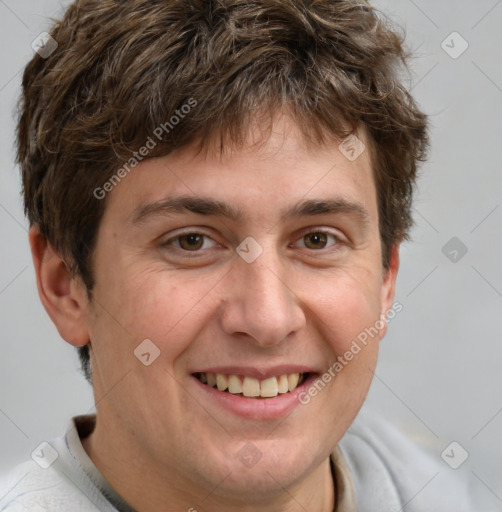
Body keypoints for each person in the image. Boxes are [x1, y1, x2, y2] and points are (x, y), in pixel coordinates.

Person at [0, 0, 474, 510]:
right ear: (64, 286)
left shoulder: (435, 490)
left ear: (386, 281)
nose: (268, 319)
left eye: (317, 239)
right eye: (191, 241)